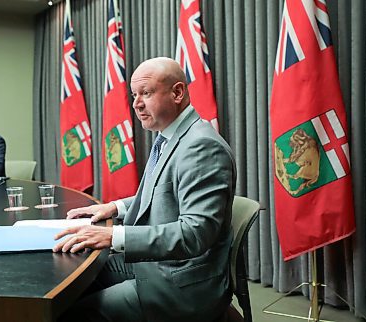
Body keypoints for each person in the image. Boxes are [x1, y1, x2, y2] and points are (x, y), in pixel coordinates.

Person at [54, 57, 237, 322]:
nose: (136, 104)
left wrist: (113, 235)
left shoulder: (201, 147)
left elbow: (196, 233)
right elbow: (165, 191)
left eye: (146, 93)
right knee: (78, 278)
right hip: (159, 265)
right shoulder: (170, 135)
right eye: (134, 95)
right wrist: (115, 207)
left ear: (177, 92)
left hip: (183, 284)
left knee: (73, 310)